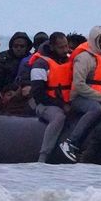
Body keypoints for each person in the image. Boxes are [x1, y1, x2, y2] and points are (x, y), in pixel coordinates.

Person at [58, 26, 101, 162]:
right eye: (100, 41)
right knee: (95, 109)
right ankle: (70, 143)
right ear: (93, 41)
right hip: (79, 98)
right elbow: (79, 85)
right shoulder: (84, 58)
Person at [29, 32, 72, 163]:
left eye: (66, 46)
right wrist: (61, 105)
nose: (65, 50)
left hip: (67, 101)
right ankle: (44, 156)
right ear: (52, 47)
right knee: (59, 117)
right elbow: (38, 94)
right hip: (44, 104)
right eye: (61, 47)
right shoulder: (40, 64)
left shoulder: (70, 60)